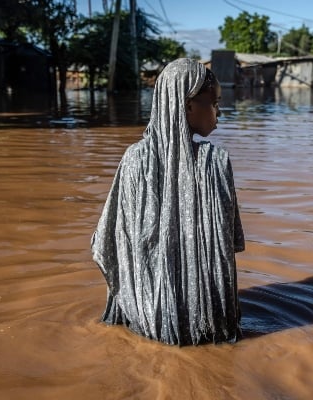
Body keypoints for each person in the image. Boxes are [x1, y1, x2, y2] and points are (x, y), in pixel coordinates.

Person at [91, 58, 245, 346]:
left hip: (147, 320)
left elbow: (108, 242)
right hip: (210, 325)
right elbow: (231, 243)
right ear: (188, 106)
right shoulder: (215, 161)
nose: (219, 112)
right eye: (214, 103)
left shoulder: (134, 160)